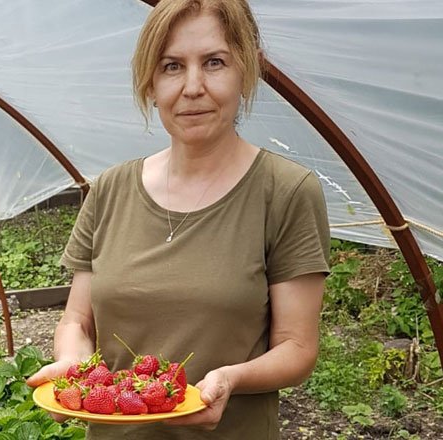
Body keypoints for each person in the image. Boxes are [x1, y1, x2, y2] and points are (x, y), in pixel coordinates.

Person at [25, 0, 331, 438]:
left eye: (214, 62)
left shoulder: (284, 191)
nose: (192, 86)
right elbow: (78, 319)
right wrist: (75, 364)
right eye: (172, 66)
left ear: (244, 73)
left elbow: (297, 347)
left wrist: (230, 379)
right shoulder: (109, 190)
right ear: (150, 84)